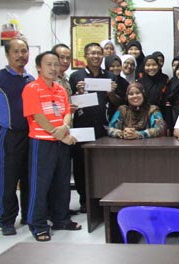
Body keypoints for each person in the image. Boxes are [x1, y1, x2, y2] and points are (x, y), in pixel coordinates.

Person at [22, 51, 80, 242]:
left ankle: (61, 219)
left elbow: (67, 113)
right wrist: (60, 135)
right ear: (39, 67)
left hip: (61, 141)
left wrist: (64, 128)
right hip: (42, 142)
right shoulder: (31, 88)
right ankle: (38, 225)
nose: (54, 68)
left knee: (62, 182)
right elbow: (37, 116)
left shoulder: (60, 89)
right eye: (49, 64)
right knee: (40, 185)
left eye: (56, 64)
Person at [0, 38, 33, 236]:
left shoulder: (30, 79)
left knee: (29, 178)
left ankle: (28, 215)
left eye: (24, 51)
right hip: (8, 136)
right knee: (8, 179)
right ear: (7, 54)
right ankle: (6, 220)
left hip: (30, 135)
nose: (21, 55)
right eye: (16, 51)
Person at [69, 42, 118, 214]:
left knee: (103, 165)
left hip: (103, 127)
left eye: (99, 53)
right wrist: (79, 93)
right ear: (85, 56)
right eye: (92, 53)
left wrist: (111, 92)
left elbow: (116, 102)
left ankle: (103, 199)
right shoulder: (76, 76)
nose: (96, 56)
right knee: (82, 165)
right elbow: (70, 102)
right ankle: (84, 201)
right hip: (82, 127)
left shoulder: (110, 76)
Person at [104, 54, 129, 121]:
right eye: (112, 66)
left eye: (118, 66)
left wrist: (112, 94)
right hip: (101, 116)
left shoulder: (124, 83)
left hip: (118, 117)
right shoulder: (102, 79)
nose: (116, 68)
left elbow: (123, 102)